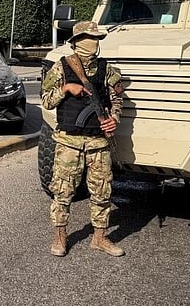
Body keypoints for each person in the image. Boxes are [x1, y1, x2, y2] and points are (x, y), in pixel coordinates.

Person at [41, 20, 125, 257]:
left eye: (96, 38)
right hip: (69, 141)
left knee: (102, 191)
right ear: (77, 41)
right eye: (89, 37)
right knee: (63, 191)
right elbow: (46, 101)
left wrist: (114, 119)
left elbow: (118, 100)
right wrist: (66, 88)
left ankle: (99, 238)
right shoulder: (60, 67)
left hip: (98, 141)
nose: (93, 42)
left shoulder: (107, 70)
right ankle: (60, 236)